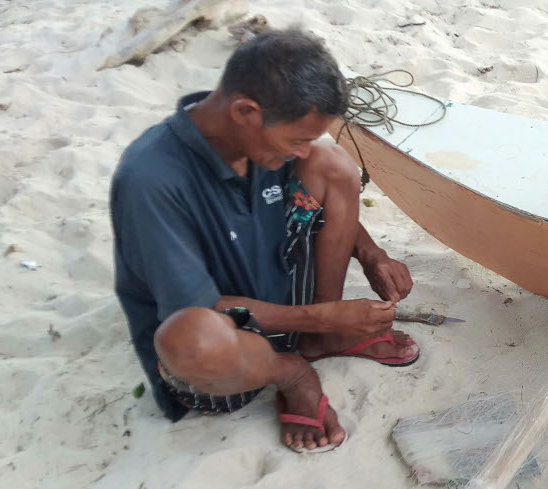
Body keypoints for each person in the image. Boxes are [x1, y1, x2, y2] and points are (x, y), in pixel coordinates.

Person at [110, 28, 416, 452]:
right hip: (227, 346)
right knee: (194, 338)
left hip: (282, 296)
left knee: (332, 164)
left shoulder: (259, 141)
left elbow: (314, 182)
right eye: (297, 140)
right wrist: (325, 314)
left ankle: (320, 342)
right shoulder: (152, 179)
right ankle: (291, 370)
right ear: (245, 112)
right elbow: (197, 311)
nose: (303, 151)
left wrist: (369, 252)